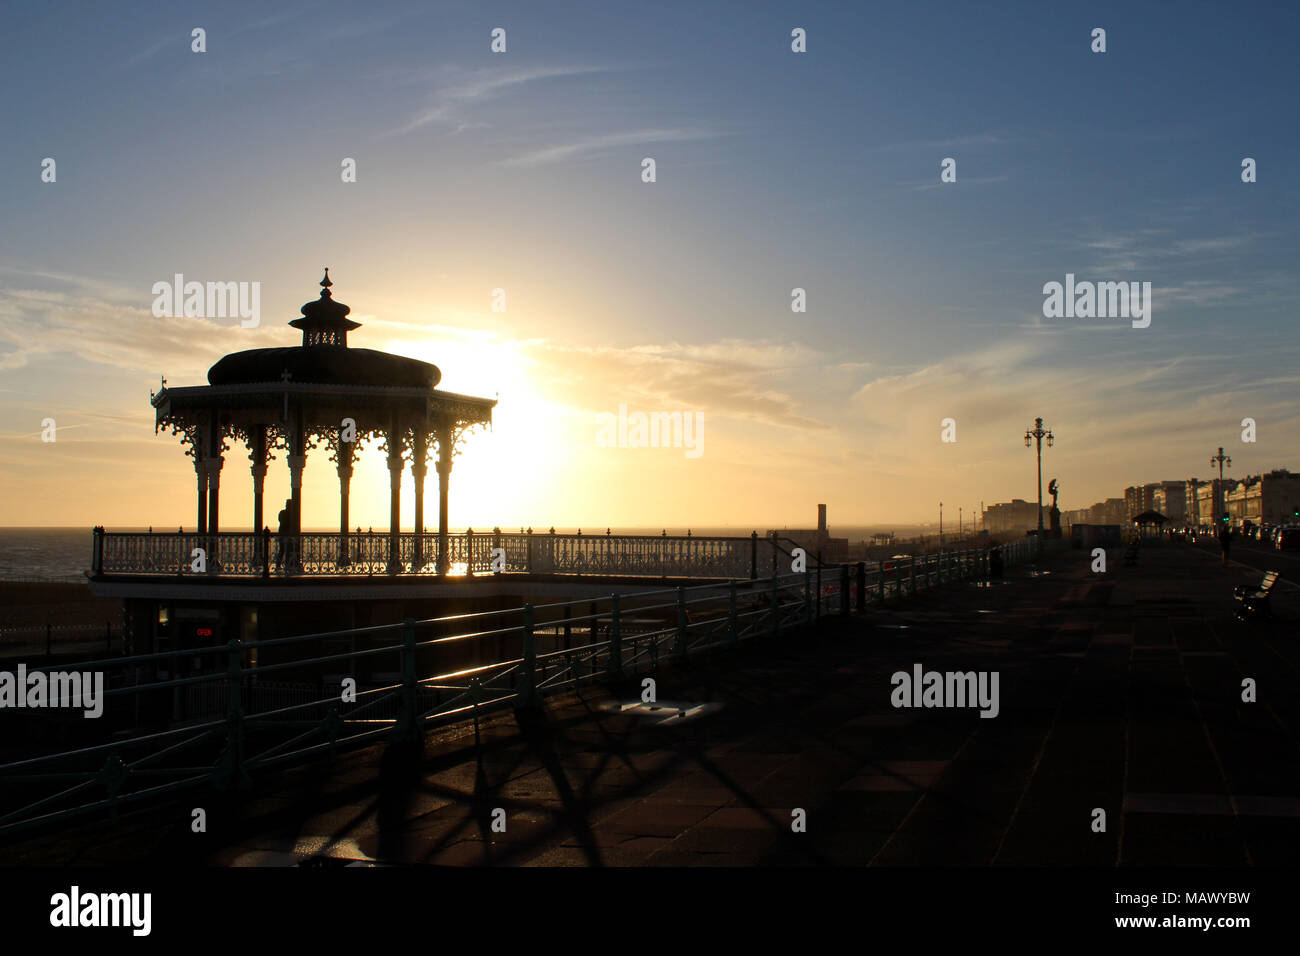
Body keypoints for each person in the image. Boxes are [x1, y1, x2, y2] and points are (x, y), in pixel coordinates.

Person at [276, 502, 290, 573]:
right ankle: (286, 564)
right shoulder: (291, 513)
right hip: (286, 532)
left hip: (282, 532)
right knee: (285, 549)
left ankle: (278, 564)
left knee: (282, 550)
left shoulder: (282, 512)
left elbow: (279, 520)